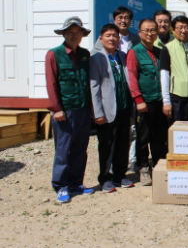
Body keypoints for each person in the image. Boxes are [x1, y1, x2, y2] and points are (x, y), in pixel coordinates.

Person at [45, 16, 94, 203]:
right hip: (65, 111)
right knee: (63, 150)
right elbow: (51, 84)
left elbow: (88, 83)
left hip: (82, 109)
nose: (74, 35)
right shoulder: (54, 54)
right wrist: (56, 108)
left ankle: (75, 183)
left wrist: (90, 108)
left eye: (78, 32)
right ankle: (61, 186)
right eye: (71, 32)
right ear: (64, 34)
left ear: (82, 34)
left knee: (80, 149)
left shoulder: (84, 54)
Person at [90, 24, 134, 193]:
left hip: (123, 107)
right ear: (101, 39)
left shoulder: (122, 56)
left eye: (114, 36)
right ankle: (105, 178)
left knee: (123, 144)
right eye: (108, 35)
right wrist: (97, 112)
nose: (111, 38)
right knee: (107, 145)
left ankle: (119, 175)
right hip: (107, 110)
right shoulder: (96, 58)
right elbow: (94, 87)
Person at [126, 19, 168, 186]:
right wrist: (138, 99)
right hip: (144, 102)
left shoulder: (160, 51)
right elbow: (132, 77)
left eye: (153, 30)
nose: (150, 33)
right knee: (143, 136)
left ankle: (158, 164)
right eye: (146, 30)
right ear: (140, 33)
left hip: (159, 100)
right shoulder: (134, 52)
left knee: (159, 135)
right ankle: (143, 166)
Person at [160, 16, 188, 122]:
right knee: (179, 133)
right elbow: (164, 76)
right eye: (180, 28)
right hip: (178, 100)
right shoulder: (168, 48)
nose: (183, 31)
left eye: (186, 27)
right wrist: (166, 102)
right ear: (173, 30)